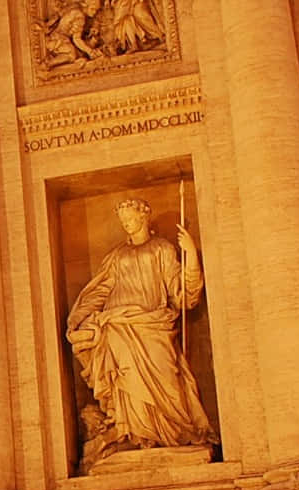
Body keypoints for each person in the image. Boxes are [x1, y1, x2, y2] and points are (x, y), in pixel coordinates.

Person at [65, 198, 216, 469]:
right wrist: (78, 317)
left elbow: (183, 294)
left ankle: (174, 432)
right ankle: (135, 434)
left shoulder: (162, 249)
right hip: (119, 327)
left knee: (168, 378)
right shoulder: (116, 256)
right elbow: (100, 291)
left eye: (132, 219)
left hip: (154, 325)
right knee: (127, 383)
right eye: (124, 221)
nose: (128, 225)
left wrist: (191, 254)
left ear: (144, 218)